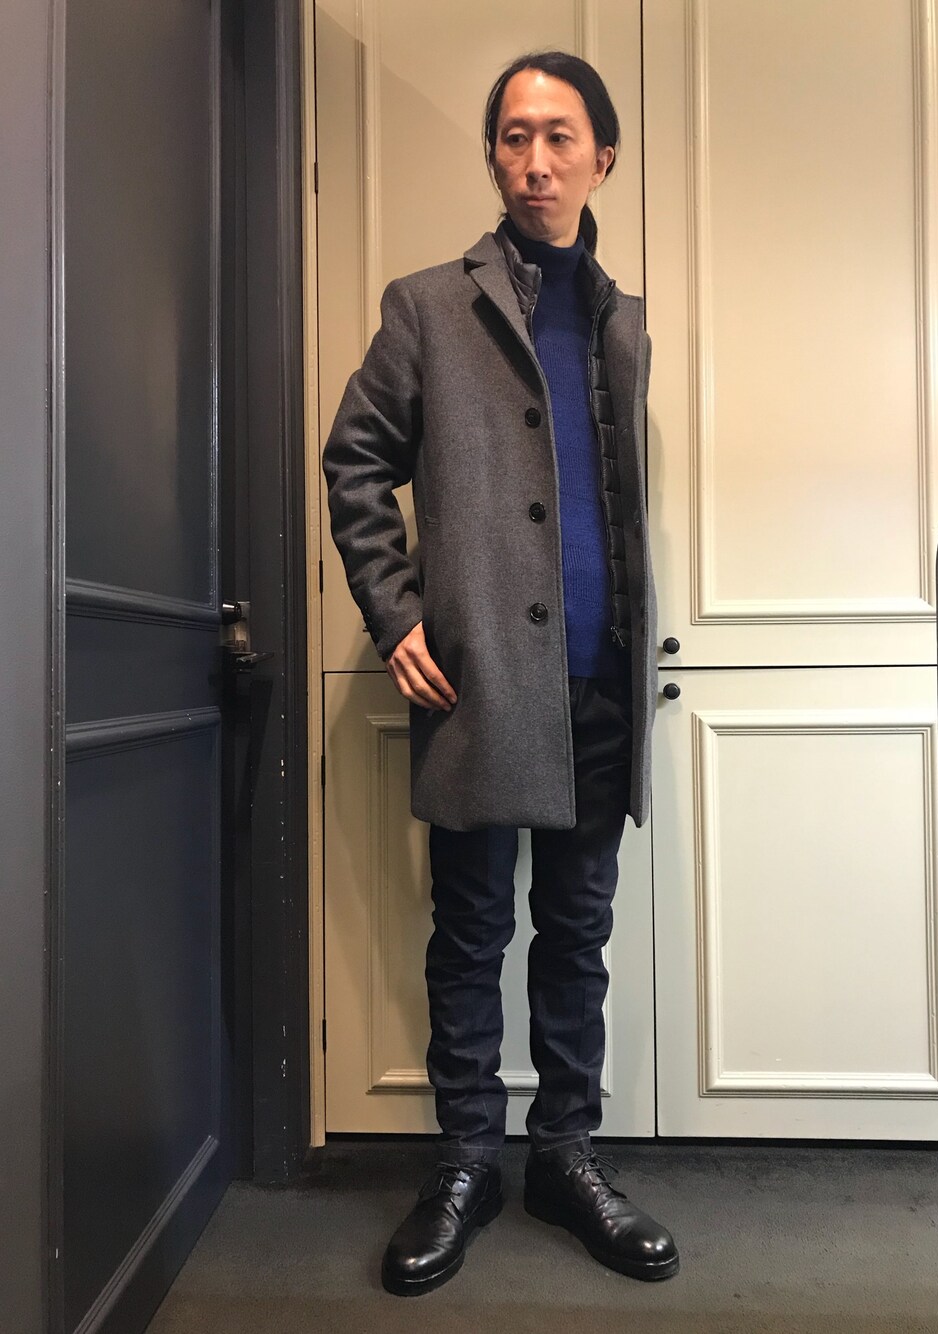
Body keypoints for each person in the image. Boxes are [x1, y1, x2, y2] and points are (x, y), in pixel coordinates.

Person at [322, 49, 677, 1295]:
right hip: (476, 682)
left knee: (577, 934)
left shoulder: (624, 320)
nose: (535, 160)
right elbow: (355, 462)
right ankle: (467, 1159)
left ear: (601, 158)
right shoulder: (429, 306)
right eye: (514, 136)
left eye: (559, 136)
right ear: (493, 155)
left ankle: (565, 1154)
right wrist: (395, 612)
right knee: (470, 931)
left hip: (602, 680)